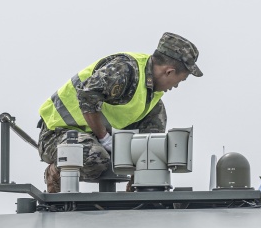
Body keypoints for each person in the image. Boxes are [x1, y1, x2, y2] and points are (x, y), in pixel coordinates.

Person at [37, 33, 203, 192]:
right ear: (169, 71)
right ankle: (56, 172)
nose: (176, 86)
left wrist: (141, 184)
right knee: (95, 158)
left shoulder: (153, 102)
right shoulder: (124, 69)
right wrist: (104, 138)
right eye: (180, 80)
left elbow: (150, 150)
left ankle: (136, 193)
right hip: (57, 133)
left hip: (91, 137)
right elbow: (87, 97)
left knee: (150, 152)